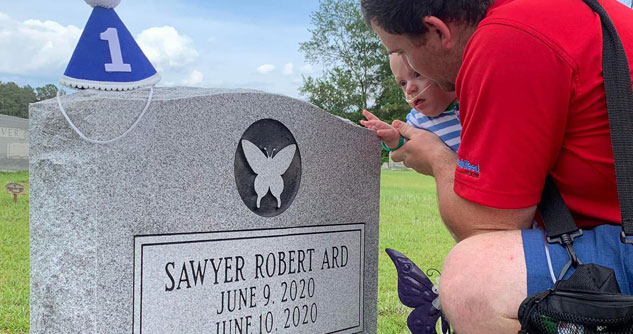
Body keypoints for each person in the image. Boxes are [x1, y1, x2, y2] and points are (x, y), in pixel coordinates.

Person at [360, 0, 633, 333]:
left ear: (437, 30)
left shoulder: (506, 39)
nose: (407, 67)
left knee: (472, 279)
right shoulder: (556, 12)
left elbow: (489, 230)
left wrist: (437, 159)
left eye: (403, 52)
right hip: (614, 232)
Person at [361, 54, 461, 152]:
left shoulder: (472, 104)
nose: (408, 89)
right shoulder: (417, 120)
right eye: (403, 83)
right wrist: (393, 138)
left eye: (417, 74)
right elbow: (406, 145)